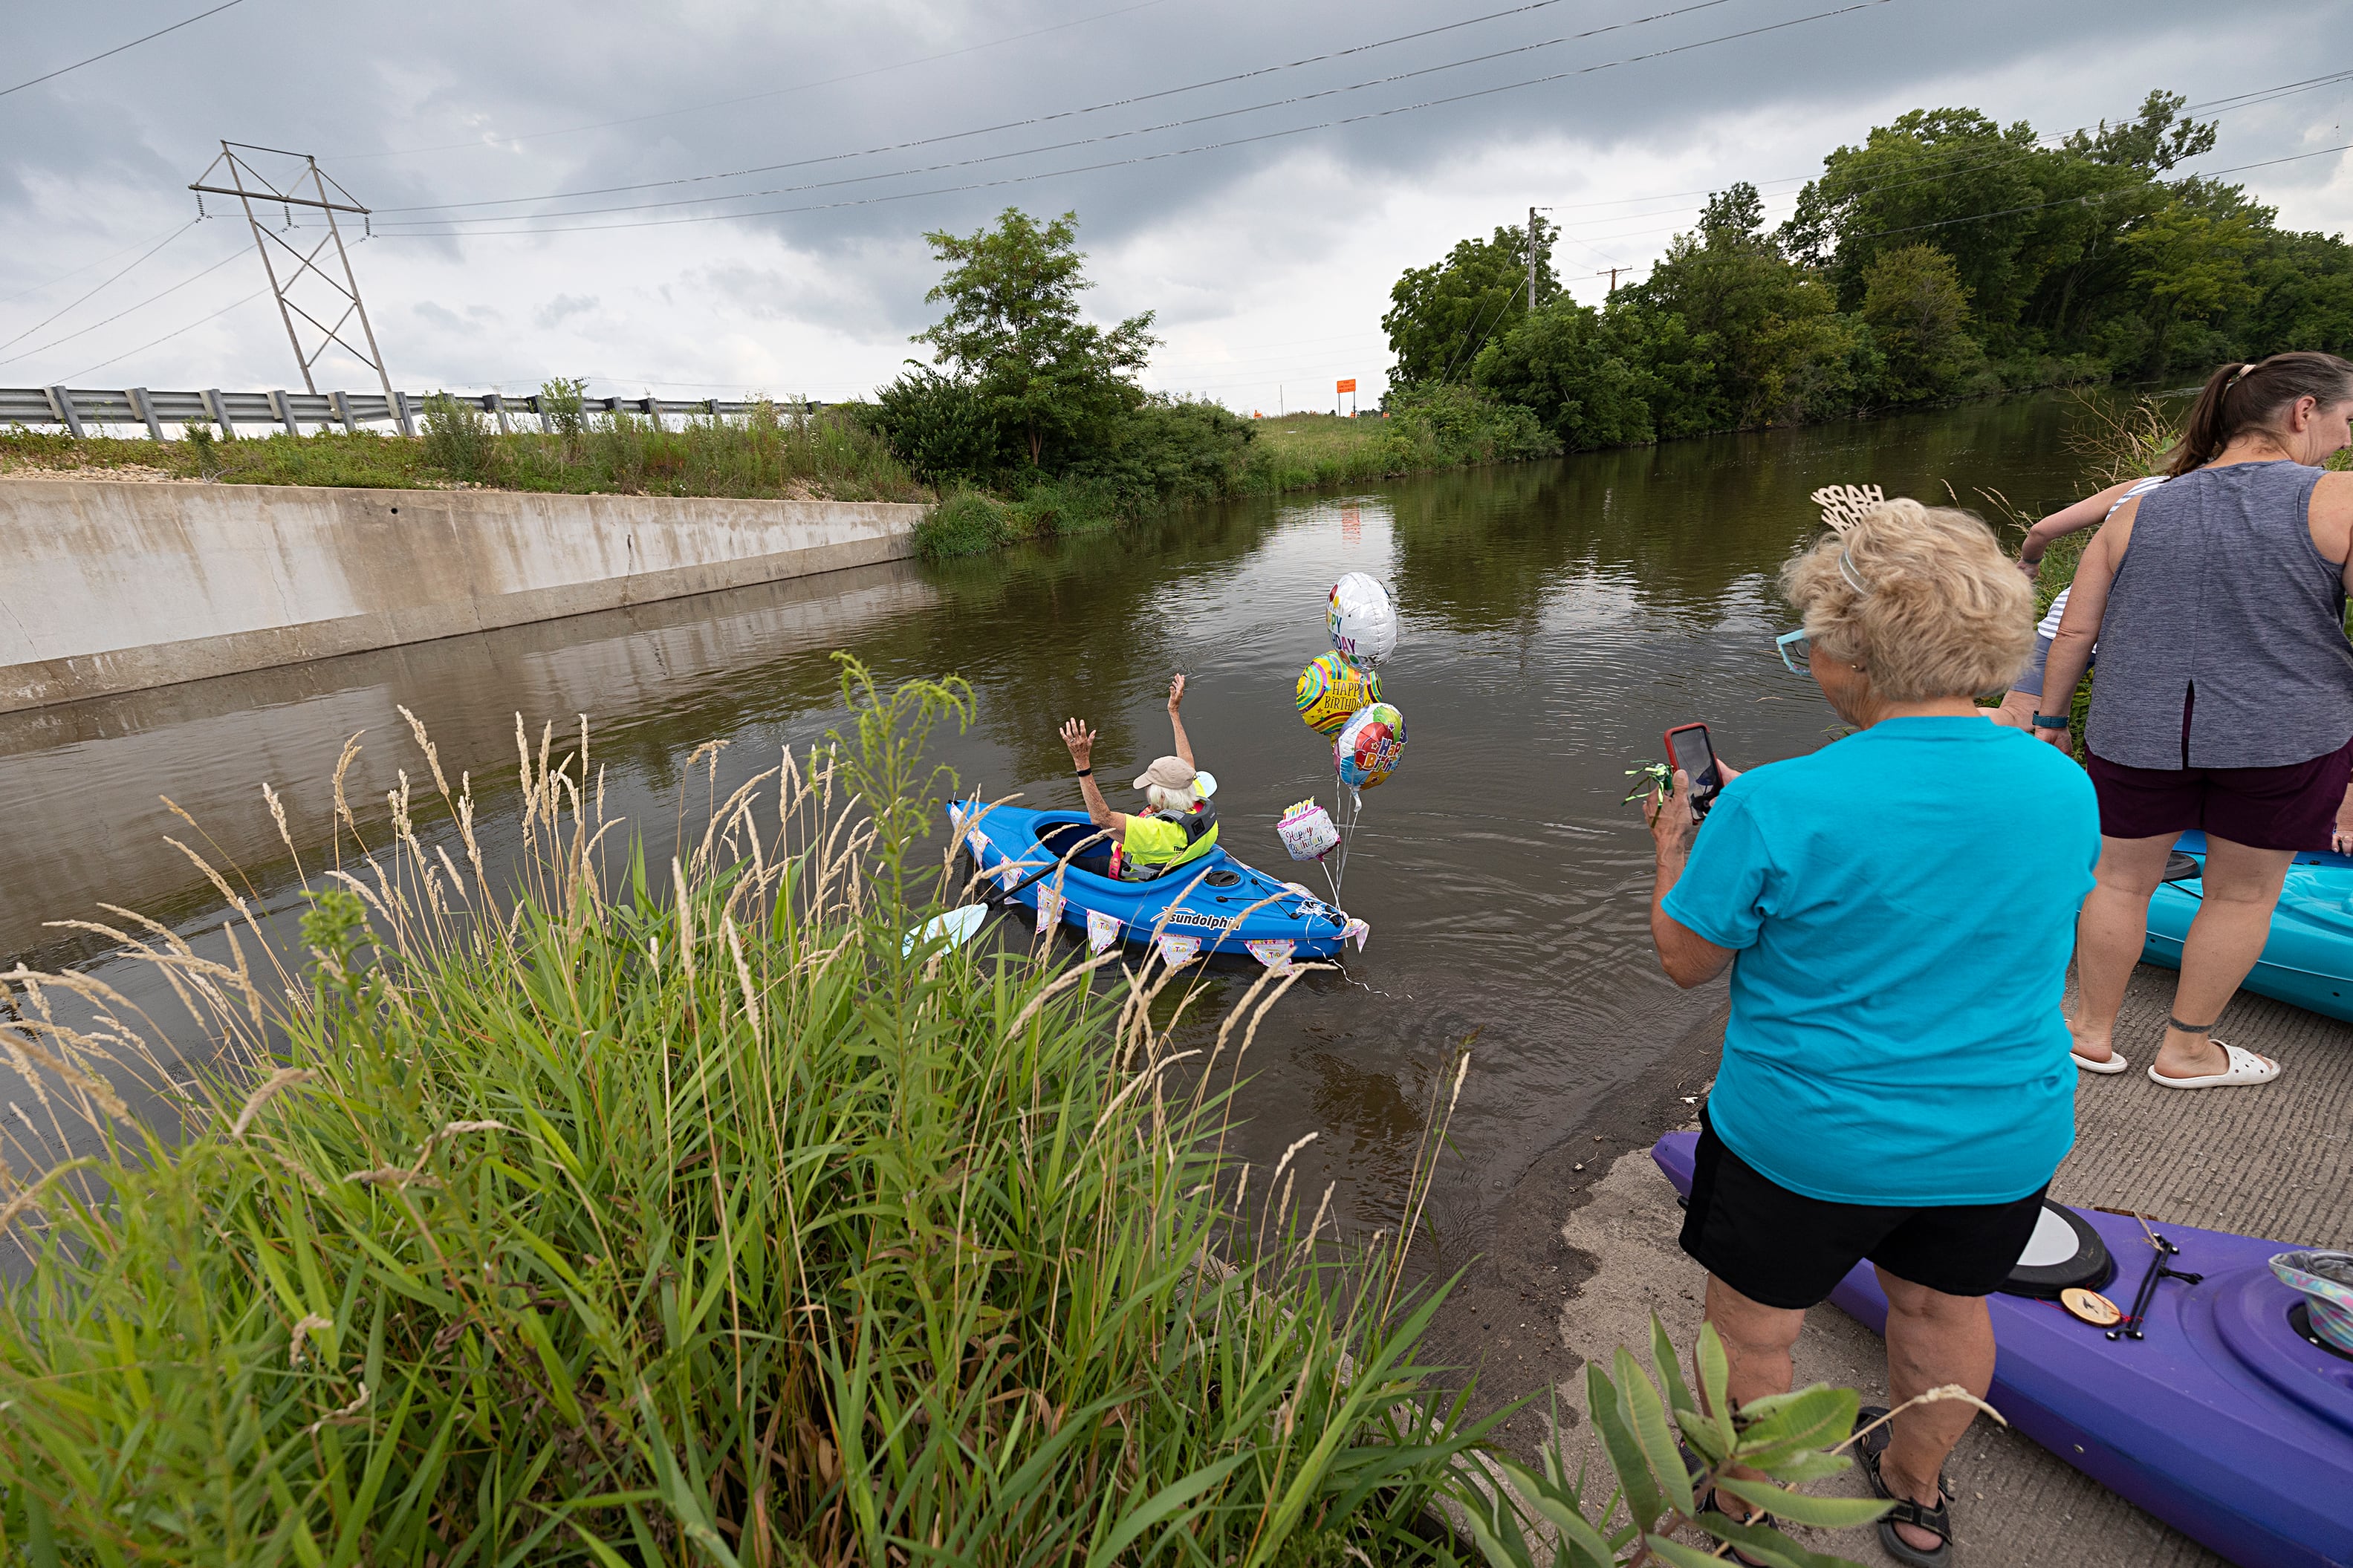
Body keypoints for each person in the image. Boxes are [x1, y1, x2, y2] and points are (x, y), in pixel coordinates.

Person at [1647, 498, 2098, 1568]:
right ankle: (1911, 1489)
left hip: (1806, 1138)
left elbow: (1685, 957)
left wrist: (1677, 846)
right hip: (1997, 1131)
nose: (1809, 658)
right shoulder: (2061, 781)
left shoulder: (1777, 805)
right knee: (1942, 1310)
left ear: (1850, 653)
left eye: (1809, 638)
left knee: (1755, 1330)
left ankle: (1742, 1504)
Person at [2036, 353, 2353, 1089]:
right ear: (2302, 411)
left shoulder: (2137, 506)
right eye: (2344, 421)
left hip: (2136, 728)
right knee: (2240, 894)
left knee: (2116, 882)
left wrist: (2050, 718)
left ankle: (2088, 1030)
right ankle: (2183, 1049)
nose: (2343, 440)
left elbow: (2076, 632)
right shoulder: (2339, 498)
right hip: (2284, 736)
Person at [1989, 475, 2169, 730]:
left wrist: (2029, 564)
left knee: (2016, 713)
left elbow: (2041, 530)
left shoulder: (2147, 484)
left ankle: (1923, 735)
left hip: (2067, 618)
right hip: (2137, 630)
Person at [1055, 673, 1220, 879]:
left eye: (1149, 785)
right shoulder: (1196, 798)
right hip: (1181, 862)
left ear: (1161, 797)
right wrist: (1174, 712)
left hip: (1131, 876)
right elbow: (1186, 765)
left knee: (1063, 861)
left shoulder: (1156, 833)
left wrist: (1082, 764)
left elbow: (1101, 818)